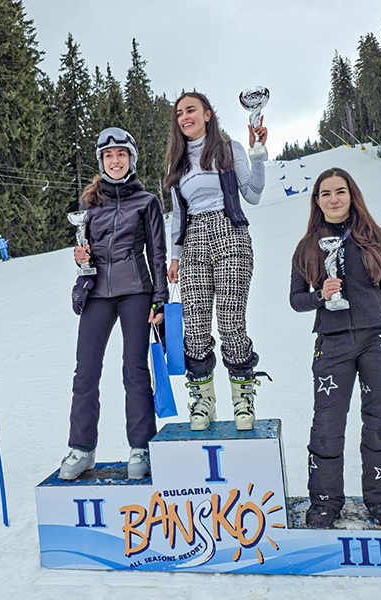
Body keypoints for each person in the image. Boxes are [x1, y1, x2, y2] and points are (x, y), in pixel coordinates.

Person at [289, 167, 381, 529]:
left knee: (379, 421)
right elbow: (296, 299)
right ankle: (325, 502)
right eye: (325, 193)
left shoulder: (375, 237)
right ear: (317, 201)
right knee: (326, 425)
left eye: (340, 192)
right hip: (332, 341)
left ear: (352, 196)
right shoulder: (307, 246)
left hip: (379, 339)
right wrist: (320, 296)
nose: (333, 199)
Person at [59, 127, 169, 481]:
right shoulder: (89, 204)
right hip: (97, 292)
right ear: (101, 162)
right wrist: (81, 258)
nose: (115, 161)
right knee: (85, 370)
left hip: (135, 290)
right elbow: (86, 251)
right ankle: (82, 448)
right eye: (108, 156)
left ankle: (141, 445)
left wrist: (160, 299)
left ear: (131, 159)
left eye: (121, 154)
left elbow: (157, 254)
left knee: (134, 369)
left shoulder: (146, 202)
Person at [164, 91, 268, 431]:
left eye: (191, 110)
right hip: (193, 239)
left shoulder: (229, 149)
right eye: (179, 113)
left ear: (207, 114)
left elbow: (253, 194)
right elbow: (178, 214)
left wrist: (257, 155)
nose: (184, 117)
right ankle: (203, 401)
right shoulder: (176, 163)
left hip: (229, 233)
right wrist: (175, 257)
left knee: (230, 321)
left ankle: (243, 398)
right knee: (194, 327)